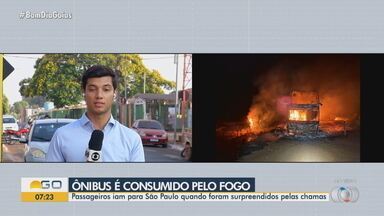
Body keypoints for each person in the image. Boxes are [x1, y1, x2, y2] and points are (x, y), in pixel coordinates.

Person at [46, 65, 145, 162]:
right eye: (92, 89)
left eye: (106, 89)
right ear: (84, 93)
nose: (99, 95)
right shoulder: (61, 136)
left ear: (114, 93)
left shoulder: (131, 139)